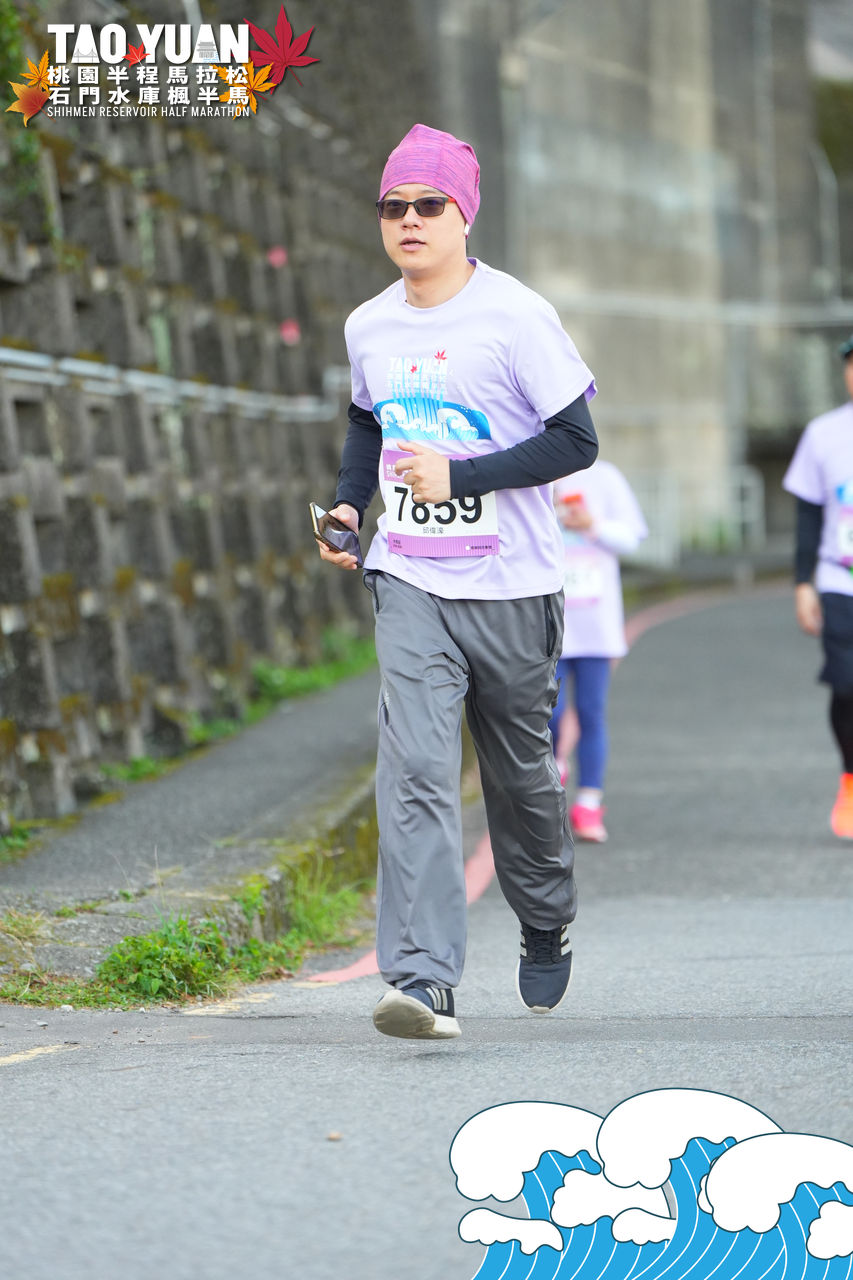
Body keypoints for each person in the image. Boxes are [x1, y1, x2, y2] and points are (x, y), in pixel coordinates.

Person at [316, 123, 599, 1039]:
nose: (408, 220)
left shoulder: (515, 316)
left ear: (462, 215)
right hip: (409, 576)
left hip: (513, 584)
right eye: (392, 206)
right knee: (415, 771)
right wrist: (350, 505)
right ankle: (422, 979)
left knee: (520, 778)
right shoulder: (369, 324)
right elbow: (368, 422)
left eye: (428, 204)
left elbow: (576, 440)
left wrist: (462, 477)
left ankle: (544, 914)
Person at [550, 461, 647, 843]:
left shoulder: (604, 477)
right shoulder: (531, 471)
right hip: (549, 625)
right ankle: (554, 766)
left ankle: (589, 803)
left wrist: (592, 524)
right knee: (548, 713)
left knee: (591, 712)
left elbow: (632, 538)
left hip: (596, 624)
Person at [782, 333, 853, 838]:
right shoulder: (824, 434)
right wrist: (802, 583)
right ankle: (850, 778)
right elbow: (808, 515)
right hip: (838, 578)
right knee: (846, 684)